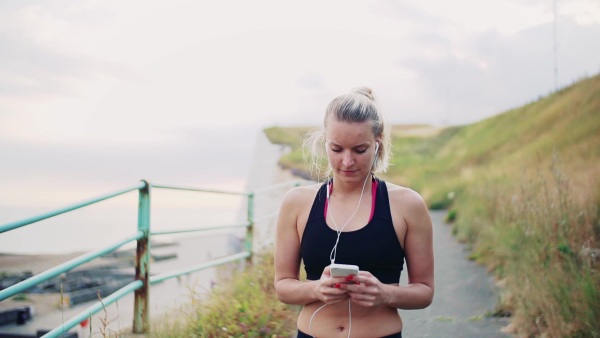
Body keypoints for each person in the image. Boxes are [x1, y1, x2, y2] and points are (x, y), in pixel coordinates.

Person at [274, 87, 434, 338]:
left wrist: (385, 293)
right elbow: (283, 286)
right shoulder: (297, 202)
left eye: (360, 150)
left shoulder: (407, 204)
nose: (347, 162)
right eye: (337, 149)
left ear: (377, 142)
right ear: (325, 140)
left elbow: (424, 291)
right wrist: (317, 289)